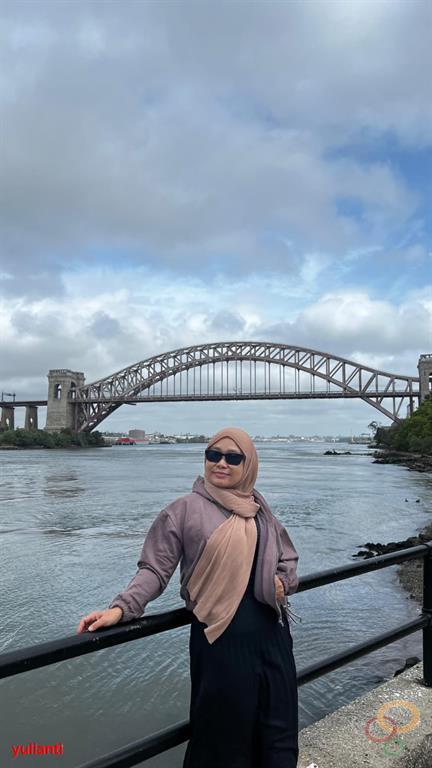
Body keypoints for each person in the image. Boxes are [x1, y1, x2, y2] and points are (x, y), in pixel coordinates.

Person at [77, 426, 300, 768]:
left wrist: (283, 581)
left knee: (278, 729)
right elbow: (154, 569)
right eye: (213, 455)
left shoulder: (260, 511)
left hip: (272, 634)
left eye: (233, 458)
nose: (221, 463)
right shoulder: (182, 511)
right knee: (222, 738)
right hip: (220, 640)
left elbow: (287, 558)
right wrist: (121, 609)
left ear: (248, 465)